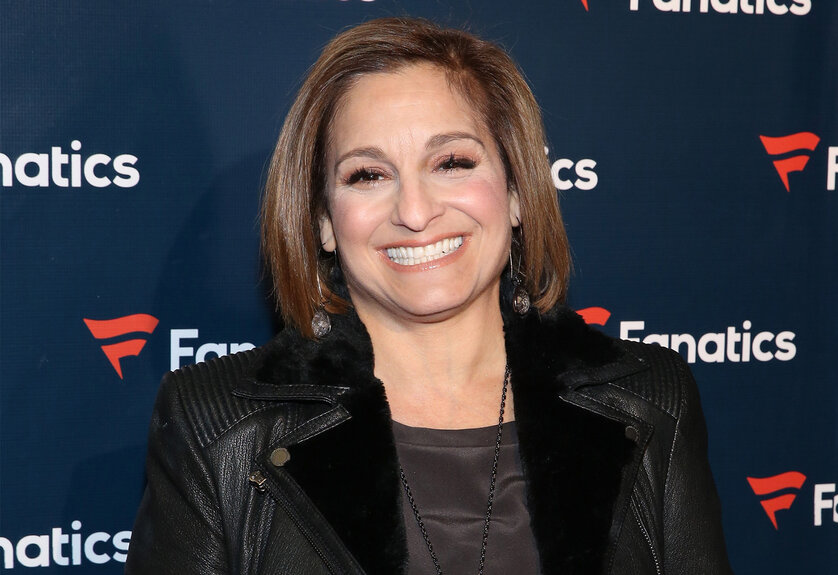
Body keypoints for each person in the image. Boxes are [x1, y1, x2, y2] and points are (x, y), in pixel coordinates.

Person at [126, 17, 732, 575]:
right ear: (324, 223)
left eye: (452, 162)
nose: (415, 212)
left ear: (518, 191)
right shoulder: (216, 426)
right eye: (368, 175)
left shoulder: (650, 399)